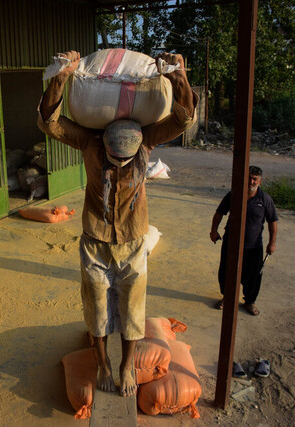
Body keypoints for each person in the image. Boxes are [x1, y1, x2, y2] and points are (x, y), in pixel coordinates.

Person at [37, 50, 197, 397]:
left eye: (128, 159)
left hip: (133, 241)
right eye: (115, 158)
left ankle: (125, 364)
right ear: (104, 144)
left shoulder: (149, 140)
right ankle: (103, 364)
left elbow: (183, 120)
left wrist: (178, 76)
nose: (121, 164)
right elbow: (48, 122)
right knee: (95, 307)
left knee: (132, 307)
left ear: (140, 144)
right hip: (95, 241)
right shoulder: (89, 141)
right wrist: (62, 78)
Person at [210, 165, 278, 316]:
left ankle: (249, 302)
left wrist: (272, 243)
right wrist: (214, 231)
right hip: (231, 243)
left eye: (255, 179)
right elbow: (219, 213)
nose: (251, 182)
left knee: (253, 276)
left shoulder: (265, 199)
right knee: (226, 272)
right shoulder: (233, 195)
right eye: (249, 178)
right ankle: (227, 298)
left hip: (253, 246)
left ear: (259, 181)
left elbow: (272, 222)